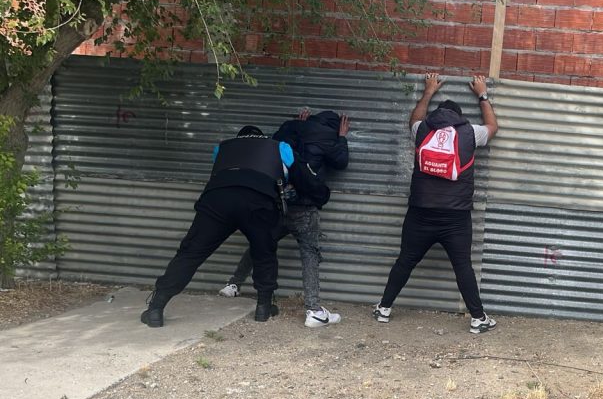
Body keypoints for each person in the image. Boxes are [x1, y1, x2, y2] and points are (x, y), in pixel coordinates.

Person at [372, 73, 499, 334]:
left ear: (437, 114)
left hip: (420, 213)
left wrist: (428, 91)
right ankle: (478, 318)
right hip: (456, 217)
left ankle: (384, 308)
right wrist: (482, 94)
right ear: (459, 117)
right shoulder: (469, 133)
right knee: (462, 266)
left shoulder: (422, 130)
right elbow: (492, 127)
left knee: (405, 260)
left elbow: (414, 119)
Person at [141, 126, 293, 327]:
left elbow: (222, 169)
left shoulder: (223, 147)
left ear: (239, 138)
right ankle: (264, 308)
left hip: (217, 200)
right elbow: (288, 174)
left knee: (191, 252)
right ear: (262, 137)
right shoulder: (280, 147)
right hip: (257, 201)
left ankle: (156, 308)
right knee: (264, 252)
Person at [218, 109, 350, 328]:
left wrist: (299, 125)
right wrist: (342, 138)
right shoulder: (329, 139)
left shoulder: (290, 131)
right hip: (304, 208)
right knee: (309, 254)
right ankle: (314, 310)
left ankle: (233, 285)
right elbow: (341, 161)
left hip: (279, 203)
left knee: (261, 243)